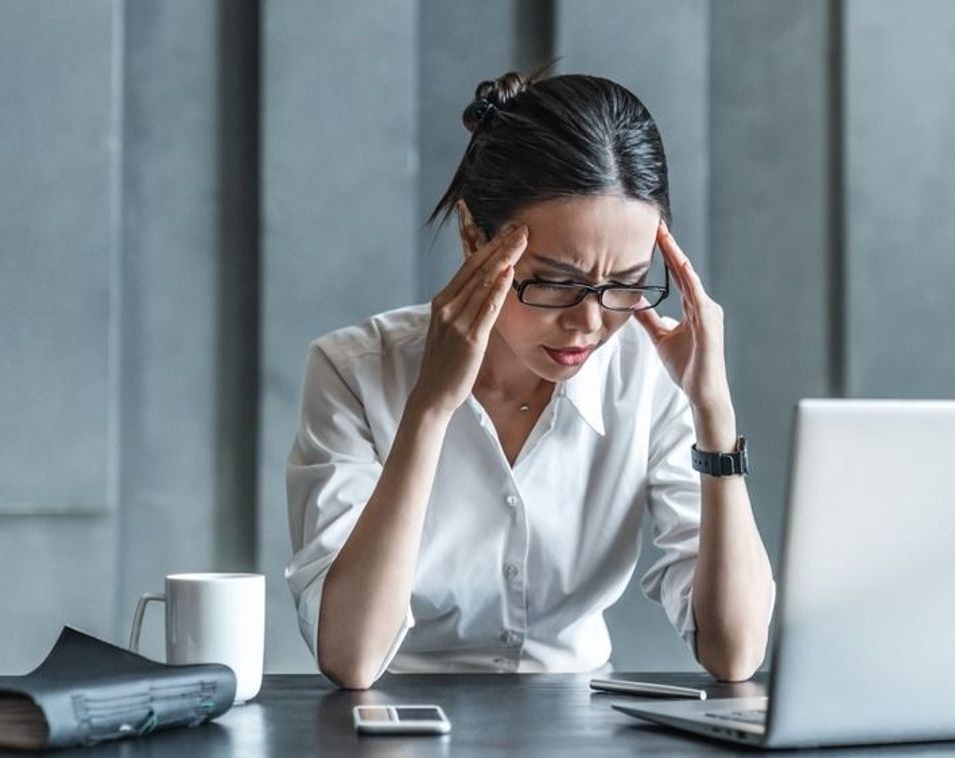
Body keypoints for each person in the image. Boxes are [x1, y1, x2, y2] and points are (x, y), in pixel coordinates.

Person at [285, 68, 774, 690]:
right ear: (474, 238)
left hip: (585, 727)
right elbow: (351, 658)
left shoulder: (652, 379)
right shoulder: (354, 371)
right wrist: (430, 409)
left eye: (625, 283)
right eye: (556, 280)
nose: (589, 322)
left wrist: (714, 414)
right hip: (400, 720)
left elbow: (735, 653)